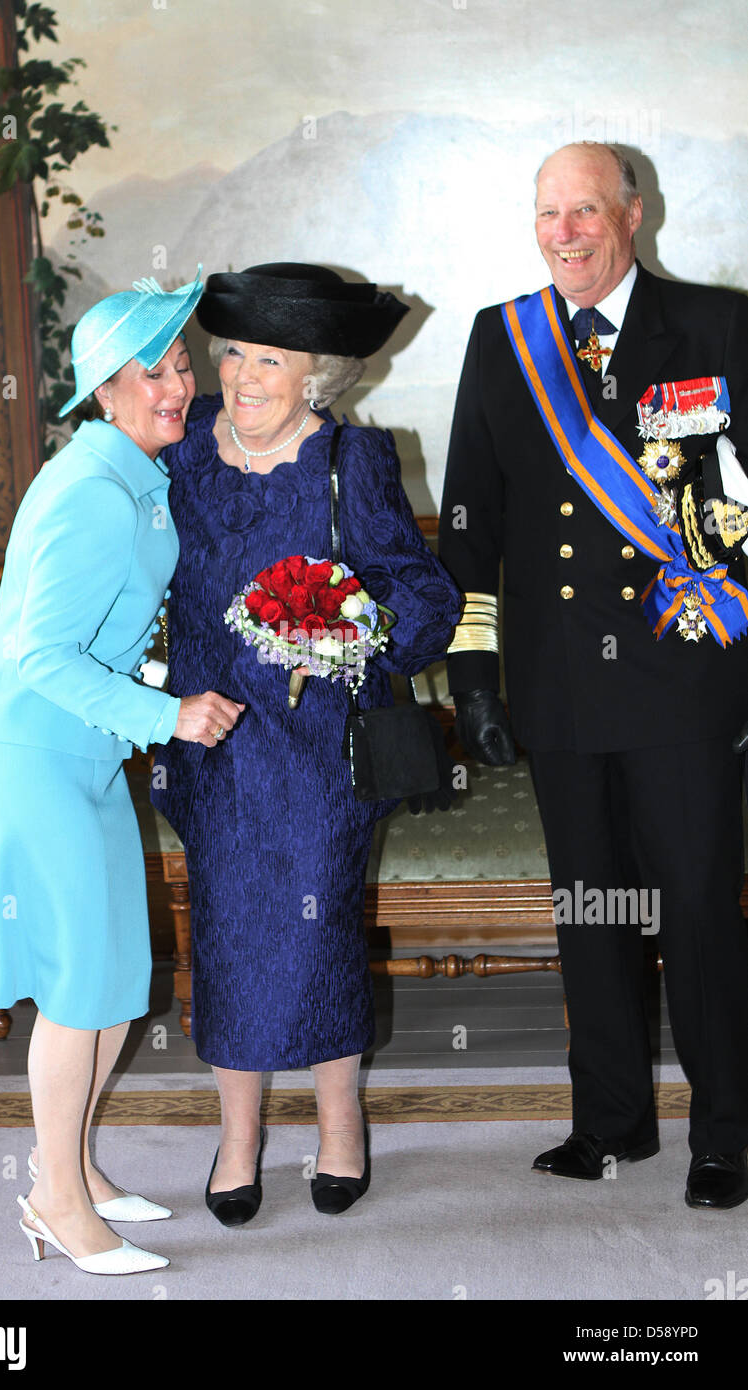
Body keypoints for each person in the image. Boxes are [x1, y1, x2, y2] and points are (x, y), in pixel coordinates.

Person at [0, 273, 244, 1273]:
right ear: (103, 389)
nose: (176, 383)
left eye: (180, 361)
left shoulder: (132, 475)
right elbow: (37, 656)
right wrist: (168, 715)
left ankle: (77, 1166)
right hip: (34, 758)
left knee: (109, 977)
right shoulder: (93, 494)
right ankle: (55, 1198)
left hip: (81, 755)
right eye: (151, 371)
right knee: (77, 987)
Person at [439, 141, 748, 1209]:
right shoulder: (503, 339)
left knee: (701, 912)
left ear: (633, 214)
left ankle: (725, 1135)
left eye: (583, 212)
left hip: (685, 682)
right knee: (595, 910)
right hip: (562, 686)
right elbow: (471, 520)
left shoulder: (717, 327)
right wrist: (472, 674)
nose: (563, 233)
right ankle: (611, 1121)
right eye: (547, 214)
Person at [150, 263, 463, 1222]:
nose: (242, 374)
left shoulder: (349, 462)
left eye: (269, 359)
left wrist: (350, 623)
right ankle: (237, 1138)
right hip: (213, 739)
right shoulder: (177, 454)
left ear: (316, 374)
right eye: (233, 350)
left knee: (319, 931)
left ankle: (338, 1126)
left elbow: (423, 595)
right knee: (231, 936)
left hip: (319, 744)